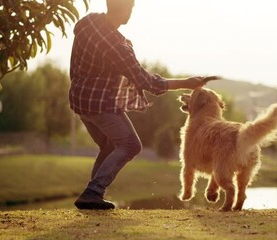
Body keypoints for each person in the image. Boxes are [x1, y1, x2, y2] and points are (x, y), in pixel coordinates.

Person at [69, 0, 211, 210]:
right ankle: (93, 192)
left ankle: (92, 196)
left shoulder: (88, 22)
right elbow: (148, 82)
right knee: (130, 145)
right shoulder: (117, 47)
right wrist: (185, 83)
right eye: (131, 8)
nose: (131, 12)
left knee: (109, 146)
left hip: (79, 100)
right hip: (100, 105)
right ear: (124, 9)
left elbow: (90, 40)